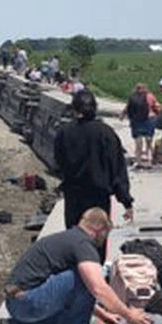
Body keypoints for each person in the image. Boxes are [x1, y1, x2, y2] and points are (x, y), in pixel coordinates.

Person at [0, 208, 159, 324]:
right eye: (106, 234)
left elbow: (73, 293)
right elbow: (97, 288)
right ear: (99, 230)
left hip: (18, 303)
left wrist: (104, 315)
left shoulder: (69, 238)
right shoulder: (83, 244)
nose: (104, 240)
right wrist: (130, 316)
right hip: (30, 301)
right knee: (89, 277)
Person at [53, 90, 135, 229]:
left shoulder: (64, 132)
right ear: (95, 108)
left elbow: (58, 162)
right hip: (99, 196)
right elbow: (117, 169)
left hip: (74, 195)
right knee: (97, 238)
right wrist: (126, 201)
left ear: (74, 109)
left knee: (76, 239)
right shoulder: (105, 133)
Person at [120, 82, 160, 168]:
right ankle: (150, 160)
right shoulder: (150, 96)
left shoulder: (132, 97)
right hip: (149, 119)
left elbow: (127, 108)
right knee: (149, 141)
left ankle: (138, 161)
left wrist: (122, 116)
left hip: (136, 121)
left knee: (138, 142)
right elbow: (156, 107)